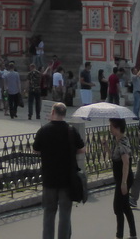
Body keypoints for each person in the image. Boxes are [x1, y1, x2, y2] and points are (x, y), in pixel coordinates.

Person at [33, 102, 85, 239]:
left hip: (49, 179)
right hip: (67, 180)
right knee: (65, 214)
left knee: (49, 213)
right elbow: (82, 149)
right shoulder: (71, 130)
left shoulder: (43, 130)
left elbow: (35, 149)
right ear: (64, 114)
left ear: (52, 112)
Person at [109, 117, 136, 239]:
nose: (110, 129)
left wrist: (124, 182)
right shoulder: (117, 140)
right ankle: (133, 234)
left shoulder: (123, 142)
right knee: (125, 206)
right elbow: (115, 157)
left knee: (117, 207)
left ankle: (119, 235)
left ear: (118, 128)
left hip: (124, 178)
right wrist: (106, 146)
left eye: (111, 127)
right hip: (120, 178)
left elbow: (126, 163)